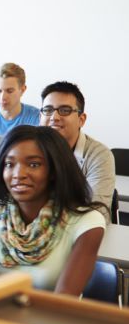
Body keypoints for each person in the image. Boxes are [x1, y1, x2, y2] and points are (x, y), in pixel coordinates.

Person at [0, 126, 106, 298]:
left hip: (53, 320)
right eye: (9, 164)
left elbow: (64, 298)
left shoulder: (86, 221)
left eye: (33, 164)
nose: (18, 174)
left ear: (54, 170)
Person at [39, 81, 115, 224]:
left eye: (65, 110)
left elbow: (97, 214)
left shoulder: (99, 155)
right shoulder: (28, 149)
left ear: (81, 119)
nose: (54, 117)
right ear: (40, 116)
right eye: (48, 110)